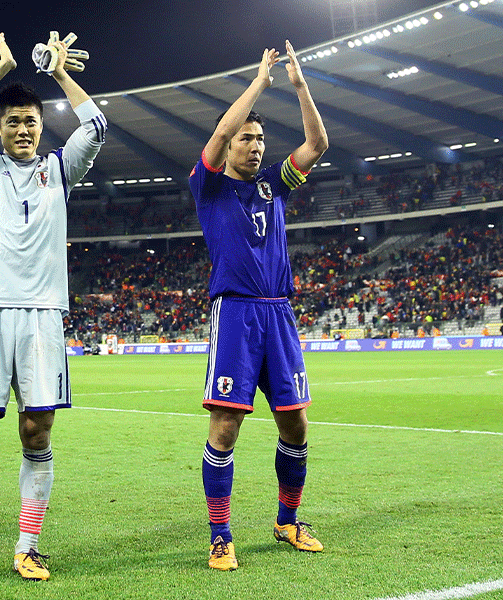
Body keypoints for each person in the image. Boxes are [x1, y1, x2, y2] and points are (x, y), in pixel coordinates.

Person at [0, 32, 105, 584]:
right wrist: (2, 66)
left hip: (42, 315)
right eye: (12, 121)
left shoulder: (60, 169)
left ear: (41, 123)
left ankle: (27, 547)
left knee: (38, 432)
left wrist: (59, 74)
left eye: (31, 121)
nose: (23, 130)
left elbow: (96, 127)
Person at [189, 40, 328, 571]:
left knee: (295, 424)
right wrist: (260, 84)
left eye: (261, 138)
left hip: (279, 314)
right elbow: (221, 132)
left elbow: (317, 141)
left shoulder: (275, 185)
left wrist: (299, 87)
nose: (255, 145)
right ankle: (220, 535)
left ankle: (287, 520)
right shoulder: (209, 187)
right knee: (225, 428)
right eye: (247, 138)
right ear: (227, 151)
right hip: (237, 314)